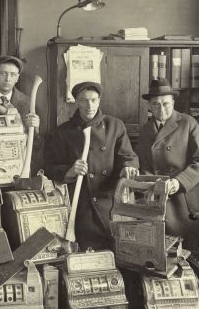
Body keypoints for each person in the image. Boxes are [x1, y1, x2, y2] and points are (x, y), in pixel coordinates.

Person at [46, 81, 139, 251]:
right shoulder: (62, 132)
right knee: (87, 255)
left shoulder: (114, 125)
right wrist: (70, 170)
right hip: (81, 207)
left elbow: (128, 156)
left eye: (93, 100)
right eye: (83, 100)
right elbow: (49, 167)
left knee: (120, 252)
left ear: (99, 100)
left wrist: (127, 167)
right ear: (76, 102)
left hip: (111, 204)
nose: (89, 105)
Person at [136, 78, 199, 246]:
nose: (161, 109)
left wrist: (179, 182)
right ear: (149, 106)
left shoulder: (188, 123)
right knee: (154, 244)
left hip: (184, 195)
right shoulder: (145, 130)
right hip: (156, 194)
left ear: (173, 102)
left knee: (184, 245)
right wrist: (153, 185)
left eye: (166, 104)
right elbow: (144, 165)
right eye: (156, 104)